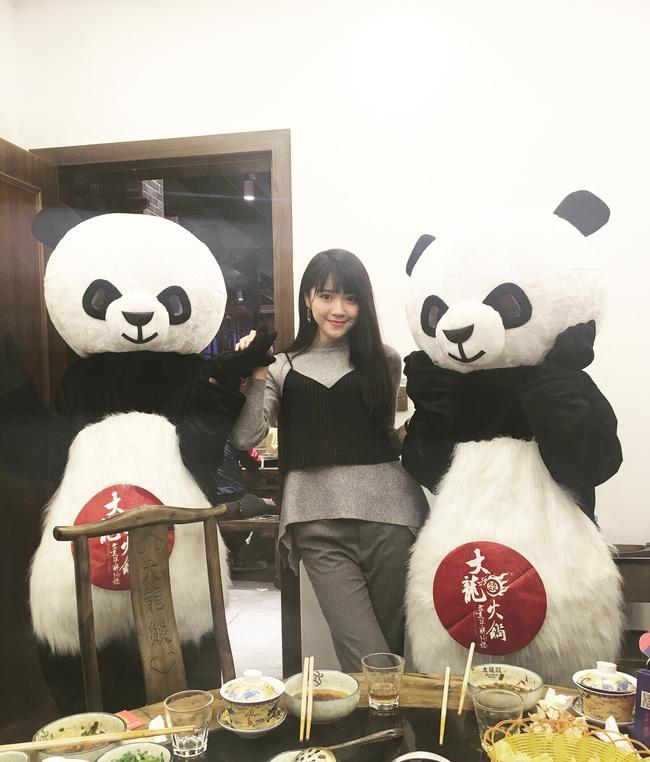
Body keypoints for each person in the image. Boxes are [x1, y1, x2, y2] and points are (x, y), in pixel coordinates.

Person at [231, 249, 428, 671]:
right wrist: (257, 369)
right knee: (367, 657)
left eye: (351, 298)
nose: (339, 309)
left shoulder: (385, 359)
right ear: (308, 298)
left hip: (392, 518)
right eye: (327, 296)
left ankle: (392, 718)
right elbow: (247, 436)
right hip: (317, 522)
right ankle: (386, 716)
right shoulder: (281, 366)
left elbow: (379, 438)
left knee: (394, 649)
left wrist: (418, 426)